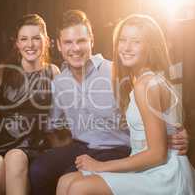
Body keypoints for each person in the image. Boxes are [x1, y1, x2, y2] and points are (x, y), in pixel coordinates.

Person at [29, 10, 190, 195]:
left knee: (72, 181)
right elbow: (56, 129)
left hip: (118, 147)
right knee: (41, 170)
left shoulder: (118, 72)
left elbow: (161, 113)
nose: (75, 48)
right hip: (82, 146)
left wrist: (179, 131)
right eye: (68, 42)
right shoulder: (59, 81)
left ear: (91, 40)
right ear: (58, 45)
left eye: (81, 41)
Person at [0, 14, 60, 195]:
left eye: (36, 38)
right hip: (1, 139)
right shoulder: (3, 72)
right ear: (16, 43)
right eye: (24, 39)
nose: (30, 45)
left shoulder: (53, 72)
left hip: (32, 142)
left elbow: (58, 116)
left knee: (15, 157)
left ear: (46, 41)